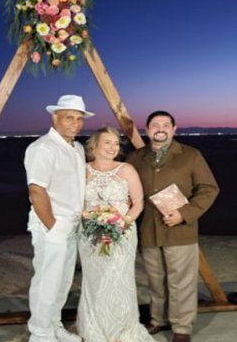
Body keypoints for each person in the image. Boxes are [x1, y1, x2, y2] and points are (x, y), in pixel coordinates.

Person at [128, 111, 219, 342]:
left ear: (174, 129)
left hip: (180, 229)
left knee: (181, 281)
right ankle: (159, 320)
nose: (161, 128)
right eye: (155, 125)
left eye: (166, 125)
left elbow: (209, 189)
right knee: (156, 280)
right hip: (149, 228)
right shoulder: (136, 158)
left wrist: (184, 213)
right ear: (147, 130)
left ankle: (182, 328)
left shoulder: (191, 155)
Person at [24, 95, 94, 342]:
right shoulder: (42, 148)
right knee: (46, 280)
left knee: (63, 280)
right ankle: (40, 333)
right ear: (55, 117)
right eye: (69, 118)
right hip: (52, 223)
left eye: (79, 119)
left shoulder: (76, 148)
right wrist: (52, 227)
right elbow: (36, 190)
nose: (75, 123)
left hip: (73, 224)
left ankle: (53, 326)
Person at [76, 127, 154, 342]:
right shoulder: (81, 170)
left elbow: (138, 203)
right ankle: (95, 328)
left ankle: (120, 331)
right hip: (90, 234)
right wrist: (89, 218)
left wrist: (121, 224)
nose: (113, 147)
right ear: (94, 146)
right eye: (107, 142)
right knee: (94, 280)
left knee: (118, 278)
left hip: (122, 233)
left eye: (116, 143)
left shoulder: (126, 169)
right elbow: (75, 202)